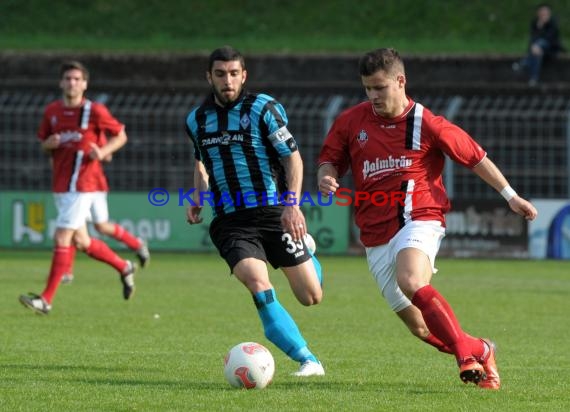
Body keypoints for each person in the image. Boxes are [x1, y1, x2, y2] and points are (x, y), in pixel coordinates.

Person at [317, 48, 538, 389]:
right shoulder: (351, 121)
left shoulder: (427, 123)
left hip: (419, 215)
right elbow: (330, 159)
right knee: (420, 328)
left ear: (400, 81)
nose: (373, 96)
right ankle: (481, 347)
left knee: (411, 279)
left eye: (380, 87)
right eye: (367, 89)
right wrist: (326, 176)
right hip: (375, 232)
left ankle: (465, 356)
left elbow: (475, 157)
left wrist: (510, 196)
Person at [185, 46, 325, 377]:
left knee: (310, 296)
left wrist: (292, 206)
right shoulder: (197, 120)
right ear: (210, 77)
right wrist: (197, 196)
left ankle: (309, 250)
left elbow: (293, 158)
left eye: (234, 73)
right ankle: (307, 359)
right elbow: (202, 160)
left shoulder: (264, 109)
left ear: (243, 75)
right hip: (231, 221)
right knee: (256, 282)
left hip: (273, 211)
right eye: (220, 74)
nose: (227, 80)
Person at [19, 60, 138, 315]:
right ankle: (124, 266)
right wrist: (48, 144)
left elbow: (121, 134)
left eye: (77, 79)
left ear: (85, 84)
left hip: (82, 184)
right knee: (82, 242)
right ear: (61, 83)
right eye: (68, 79)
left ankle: (46, 300)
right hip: (61, 184)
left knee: (62, 236)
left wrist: (103, 152)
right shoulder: (52, 111)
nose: (72, 83)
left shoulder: (94, 111)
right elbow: (43, 144)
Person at [60, 135, 150, 285]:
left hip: (94, 186)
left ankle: (136, 246)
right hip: (76, 188)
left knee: (100, 226)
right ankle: (66, 271)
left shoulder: (92, 129)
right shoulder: (67, 130)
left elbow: (108, 155)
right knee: (73, 227)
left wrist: (98, 152)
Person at [512, 3, 565, 86]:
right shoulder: (535, 23)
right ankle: (533, 78)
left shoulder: (552, 23)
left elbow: (550, 38)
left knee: (540, 44)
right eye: (542, 12)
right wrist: (539, 27)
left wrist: (542, 27)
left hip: (551, 48)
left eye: (545, 12)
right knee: (537, 53)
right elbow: (532, 39)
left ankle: (523, 64)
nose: (543, 14)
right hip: (538, 51)